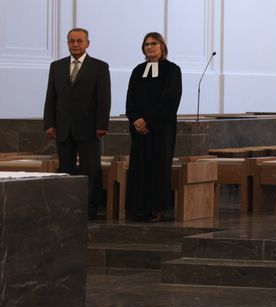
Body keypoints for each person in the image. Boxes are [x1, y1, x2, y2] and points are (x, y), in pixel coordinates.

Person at [43, 28, 111, 219]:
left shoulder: (99, 67)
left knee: (90, 169)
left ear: (87, 43)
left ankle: (89, 208)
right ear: (67, 43)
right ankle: (67, 207)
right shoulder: (56, 66)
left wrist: (102, 124)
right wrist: (49, 123)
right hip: (63, 128)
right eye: (71, 41)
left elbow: (104, 98)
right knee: (65, 169)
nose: (75, 44)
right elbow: (51, 97)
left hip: (89, 127)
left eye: (79, 41)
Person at [124, 32, 182, 222]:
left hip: (160, 130)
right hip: (140, 131)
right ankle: (139, 208)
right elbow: (130, 99)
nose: (149, 47)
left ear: (162, 47)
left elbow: (170, 101)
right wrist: (136, 120)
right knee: (139, 169)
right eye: (146, 44)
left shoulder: (172, 70)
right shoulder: (137, 70)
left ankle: (156, 208)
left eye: (154, 43)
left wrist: (147, 120)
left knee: (158, 169)